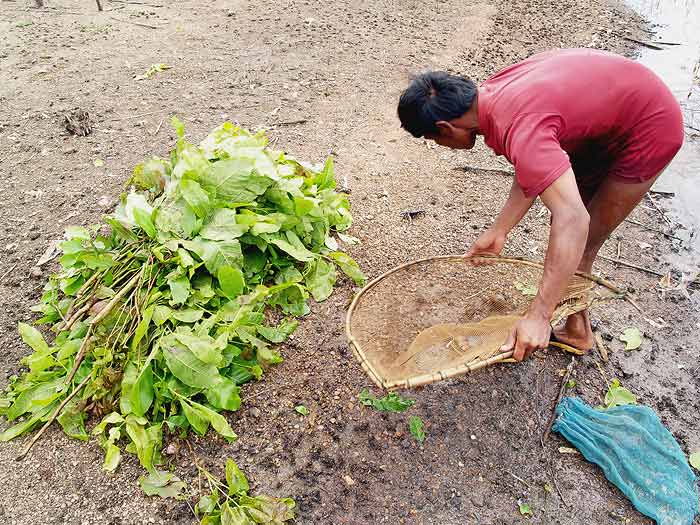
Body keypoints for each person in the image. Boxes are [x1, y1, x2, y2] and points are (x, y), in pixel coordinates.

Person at [397, 48, 683, 362]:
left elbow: (573, 217)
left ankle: (572, 328)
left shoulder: (519, 127)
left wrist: (539, 315)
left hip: (650, 127)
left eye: (432, 139)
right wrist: (500, 229)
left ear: (445, 128)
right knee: (570, 236)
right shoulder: (490, 95)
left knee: (580, 239)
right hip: (612, 114)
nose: (440, 145)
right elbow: (532, 166)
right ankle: (577, 328)